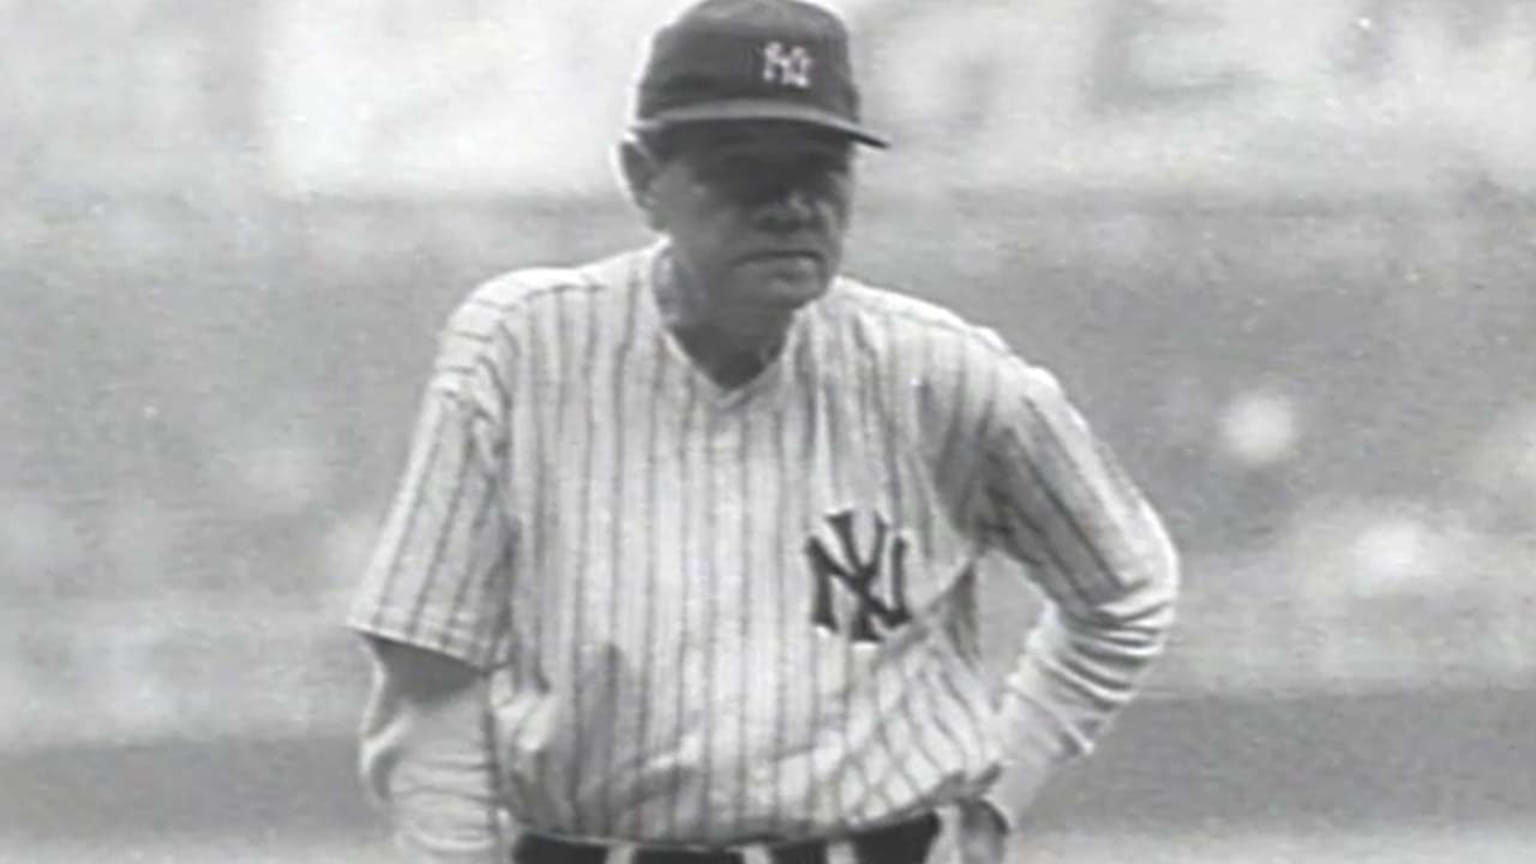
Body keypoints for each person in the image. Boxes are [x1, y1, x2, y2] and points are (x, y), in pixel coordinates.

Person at [346, 1, 1180, 862]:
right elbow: (431, 679)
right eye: (745, 169)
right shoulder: (525, 344)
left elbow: (1126, 589)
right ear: (643, 178)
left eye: (820, 169)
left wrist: (999, 797)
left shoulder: (944, 374)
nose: (790, 206)